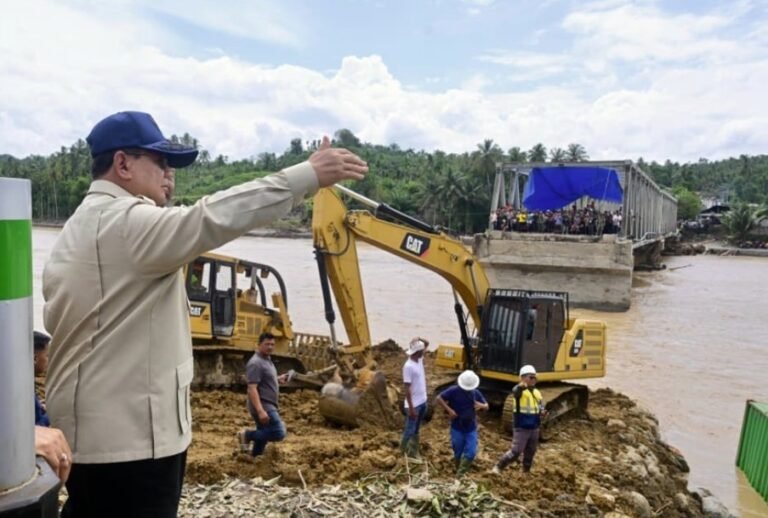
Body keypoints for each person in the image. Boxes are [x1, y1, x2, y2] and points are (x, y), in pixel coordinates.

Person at [43, 110, 367, 518]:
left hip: (85, 442)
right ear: (122, 163)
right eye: (160, 162)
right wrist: (307, 176)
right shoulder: (129, 223)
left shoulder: (78, 227)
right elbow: (213, 216)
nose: (169, 175)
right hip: (135, 450)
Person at [237, 332, 290, 456]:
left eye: (272, 344)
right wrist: (260, 411)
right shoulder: (256, 363)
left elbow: (263, 381)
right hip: (264, 405)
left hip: (268, 404)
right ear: (259, 345)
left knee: (264, 433)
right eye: (267, 344)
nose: (270, 347)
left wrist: (277, 379)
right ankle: (247, 435)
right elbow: (252, 388)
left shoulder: (266, 360)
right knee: (278, 432)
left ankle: (255, 458)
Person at [491, 365, 546, 474]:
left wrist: (542, 411)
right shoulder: (519, 391)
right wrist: (522, 385)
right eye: (530, 377)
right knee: (516, 451)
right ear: (523, 378)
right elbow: (515, 391)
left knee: (531, 451)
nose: (533, 379)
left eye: (534, 377)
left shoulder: (536, 392)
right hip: (522, 426)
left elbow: (540, 405)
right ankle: (499, 467)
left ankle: (526, 471)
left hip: (534, 427)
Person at [436, 370, 488, 475]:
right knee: (458, 452)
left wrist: (482, 406)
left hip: (471, 428)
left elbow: (486, 405)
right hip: (457, 427)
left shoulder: (475, 393)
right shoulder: (453, 391)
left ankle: (460, 474)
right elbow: (439, 398)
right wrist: (450, 410)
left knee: (471, 453)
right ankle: (458, 469)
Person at [400, 337, 428, 457]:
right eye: (422, 350)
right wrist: (411, 408)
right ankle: (403, 451)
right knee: (410, 429)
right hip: (414, 405)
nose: (424, 351)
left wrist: (419, 338)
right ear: (418, 352)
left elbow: (427, 343)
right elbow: (407, 389)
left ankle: (413, 450)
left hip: (422, 401)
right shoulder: (408, 366)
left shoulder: (419, 359)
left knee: (416, 429)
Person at [33, 331, 51, 426]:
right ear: (35, 358)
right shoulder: (24, 390)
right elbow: (35, 428)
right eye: (47, 356)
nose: (48, 360)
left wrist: (41, 408)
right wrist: (51, 414)